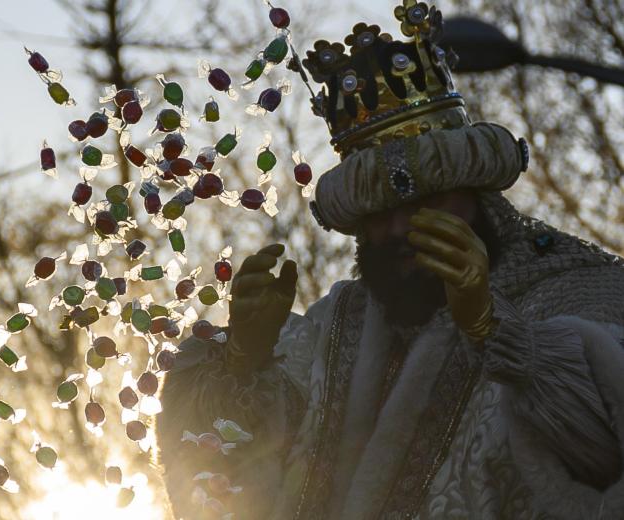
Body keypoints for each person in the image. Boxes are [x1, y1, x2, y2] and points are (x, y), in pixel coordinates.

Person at [155, 2, 624, 518]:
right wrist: (245, 360)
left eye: (424, 202)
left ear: (470, 190)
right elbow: (238, 475)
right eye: (379, 211)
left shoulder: (584, 288)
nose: (399, 229)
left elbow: (601, 450)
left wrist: (496, 330)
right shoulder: (339, 324)